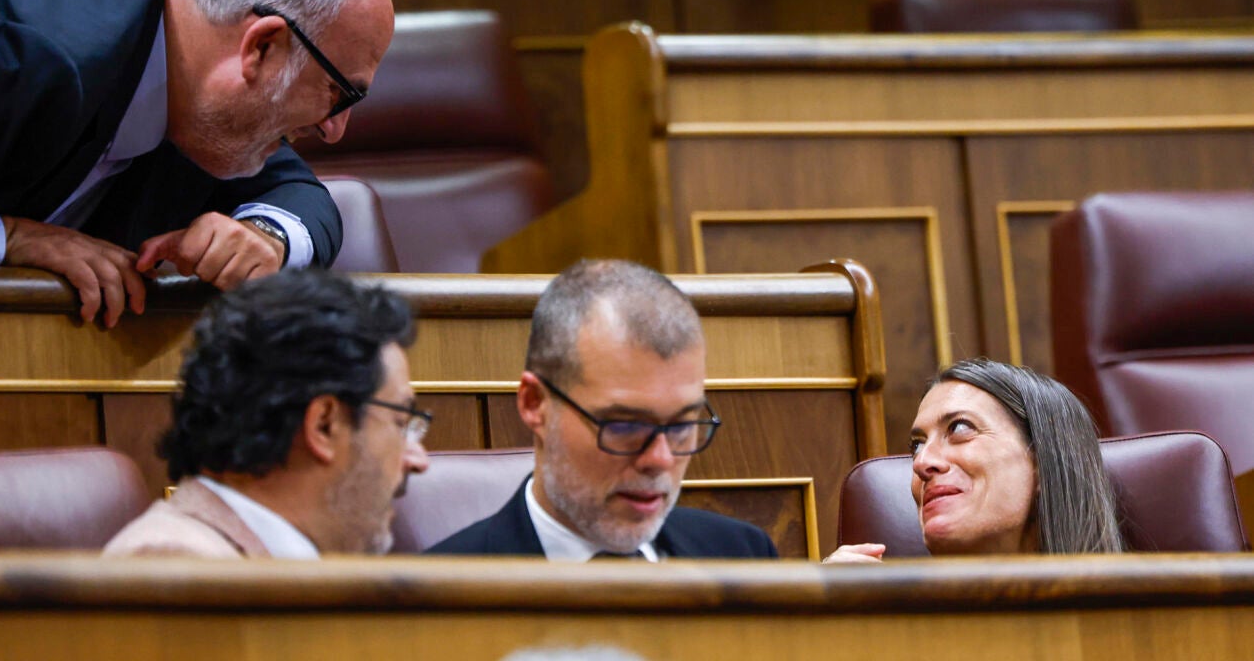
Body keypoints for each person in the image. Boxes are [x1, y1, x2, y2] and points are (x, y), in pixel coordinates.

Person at [0, 0, 395, 327]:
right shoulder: (20, 50)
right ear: (262, 47)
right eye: (340, 93)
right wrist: (9, 238)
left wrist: (265, 238)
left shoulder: (203, 93)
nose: (334, 130)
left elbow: (297, 193)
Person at [428, 259, 777, 560]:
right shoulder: (435, 597)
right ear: (535, 404)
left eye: (681, 426)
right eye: (625, 425)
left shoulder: (744, 556)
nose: (660, 459)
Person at [104, 269, 430, 558]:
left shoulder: (278, 563)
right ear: (323, 424)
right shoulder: (178, 563)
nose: (419, 460)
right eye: (401, 423)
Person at [827, 358, 1124, 562]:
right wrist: (822, 619)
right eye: (917, 446)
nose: (920, 463)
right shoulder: (893, 625)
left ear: (1041, 462)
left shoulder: (1134, 620)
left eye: (959, 428)